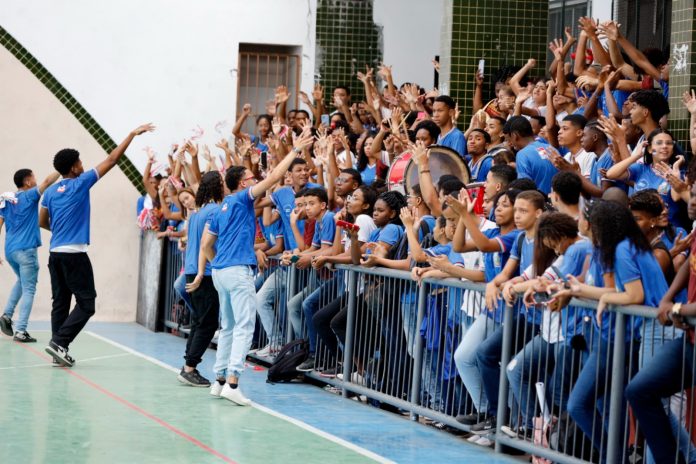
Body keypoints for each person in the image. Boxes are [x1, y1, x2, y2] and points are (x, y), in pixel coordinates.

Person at [201, 130, 314, 405]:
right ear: (242, 183)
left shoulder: (222, 207)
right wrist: (294, 149)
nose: (255, 179)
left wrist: (220, 262)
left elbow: (206, 245)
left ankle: (218, 381)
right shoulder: (241, 199)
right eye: (250, 178)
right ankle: (233, 382)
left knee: (228, 326)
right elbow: (274, 177)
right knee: (243, 326)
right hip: (237, 270)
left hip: (219, 271)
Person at [41, 123, 155, 366]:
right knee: (87, 303)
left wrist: (59, 229)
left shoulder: (50, 193)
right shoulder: (81, 182)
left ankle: (57, 348)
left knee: (60, 303)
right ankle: (60, 342)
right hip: (74, 255)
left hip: (55, 254)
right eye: (80, 162)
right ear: (73, 168)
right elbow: (112, 159)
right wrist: (132, 134)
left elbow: (42, 221)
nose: (83, 165)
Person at [625, 181, 696, 464]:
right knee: (640, 390)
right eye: (693, 194)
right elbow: (690, 262)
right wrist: (668, 299)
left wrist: (678, 307)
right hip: (689, 339)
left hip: (684, 329)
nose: (692, 201)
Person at [0, 169, 60, 342]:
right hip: (26, 251)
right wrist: (60, 168)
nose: (36, 179)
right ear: (27, 181)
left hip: (10, 251)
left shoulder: (7, 200)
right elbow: (48, 182)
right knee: (29, 288)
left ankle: (6, 315)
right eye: (33, 177)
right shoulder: (30, 196)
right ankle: (21, 330)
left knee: (21, 281)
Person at [177, 171, 224, 387]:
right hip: (204, 273)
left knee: (198, 320)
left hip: (192, 270)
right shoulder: (214, 211)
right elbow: (208, 244)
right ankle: (190, 368)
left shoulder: (196, 213)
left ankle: (188, 363)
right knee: (207, 323)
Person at [503, 116, 559, 194]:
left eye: (509, 139)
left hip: (539, 202)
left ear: (515, 136)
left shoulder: (522, 155)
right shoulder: (550, 148)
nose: (509, 144)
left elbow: (524, 190)